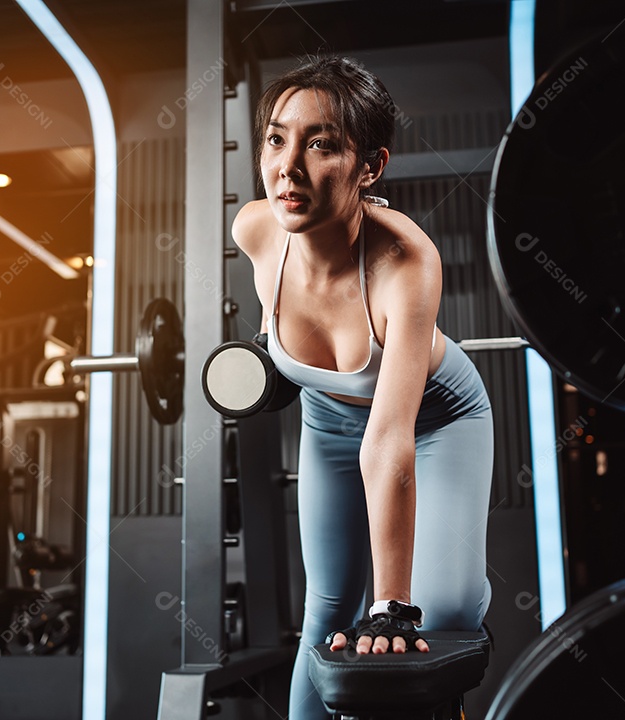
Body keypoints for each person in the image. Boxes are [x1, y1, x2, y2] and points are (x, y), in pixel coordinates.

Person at [231, 56, 494, 719]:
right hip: (328, 421)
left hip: (436, 419)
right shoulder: (257, 233)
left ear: (370, 166)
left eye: (319, 143)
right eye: (276, 138)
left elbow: (388, 441)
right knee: (326, 609)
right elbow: (283, 342)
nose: (287, 166)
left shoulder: (406, 262)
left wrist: (393, 607)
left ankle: (452, 581)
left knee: (443, 609)